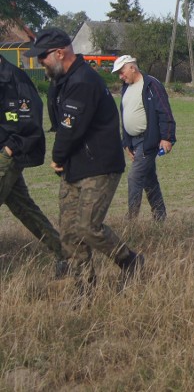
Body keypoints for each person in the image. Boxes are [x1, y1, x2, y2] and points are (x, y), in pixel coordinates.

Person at [30, 28, 143, 296]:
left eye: (42, 57)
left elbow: (70, 129)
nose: (39, 62)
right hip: (75, 165)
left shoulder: (83, 81)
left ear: (60, 52)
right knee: (69, 233)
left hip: (99, 165)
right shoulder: (62, 79)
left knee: (88, 228)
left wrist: (57, 159)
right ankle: (84, 289)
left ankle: (130, 261)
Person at [0, 55, 67, 276]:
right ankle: (66, 255)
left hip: (7, 155)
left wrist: (10, 149)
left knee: (24, 208)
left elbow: (30, 120)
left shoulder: (15, 79)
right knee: (24, 209)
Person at [112, 55, 176, 221]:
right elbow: (124, 115)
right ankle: (160, 218)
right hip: (133, 142)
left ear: (132, 67)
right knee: (149, 180)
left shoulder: (151, 84)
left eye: (121, 71)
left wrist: (167, 137)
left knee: (134, 176)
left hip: (148, 141)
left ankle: (131, 221)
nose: (120, 76)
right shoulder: (125, 87)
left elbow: (164, 111)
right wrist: (126, 142)